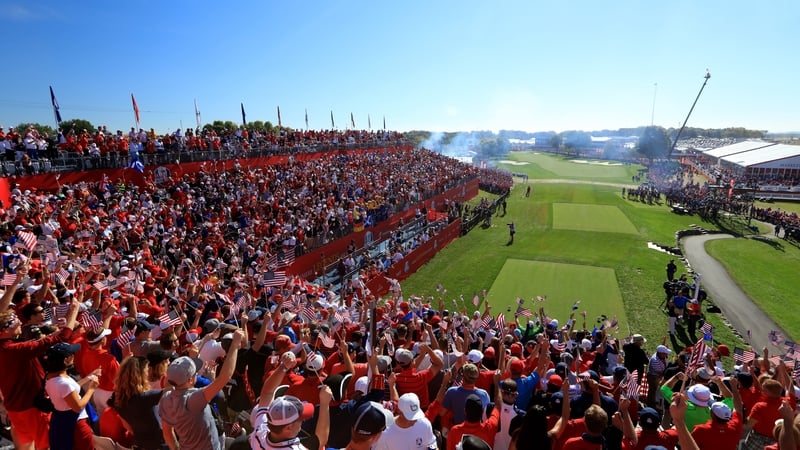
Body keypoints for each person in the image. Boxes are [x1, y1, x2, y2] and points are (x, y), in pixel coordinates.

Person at [0, 295, 80, 450]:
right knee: (47, 445)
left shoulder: (9, 349)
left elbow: (36, 343)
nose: (19, 322)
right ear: (3, 331)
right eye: (13, 321)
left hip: (14, 407)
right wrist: (74, 311)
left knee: (27, 444)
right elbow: (63, 337)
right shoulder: (14, 350)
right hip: (32, 408)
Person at [159, 329, 244, 450]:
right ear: (190, 380)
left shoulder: (166, 398)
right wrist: (235, 344)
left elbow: (167, 433)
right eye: (195, 373)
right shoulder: (193, 399)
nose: (197, 373)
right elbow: (225, 377)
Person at [249, 351, 333, 450]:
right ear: (289, 427)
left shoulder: (260, 432)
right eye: (300, 418)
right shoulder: (262, 429)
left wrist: (283, 366)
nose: (303, 420)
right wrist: (325, 404)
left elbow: (267, 393)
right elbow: (321, 440)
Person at [43, 342, 99, 450]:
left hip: (61, 420)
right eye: (72, 354)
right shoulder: (63, 384)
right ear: (65, 360)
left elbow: (69, 391)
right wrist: (92, 389)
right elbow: (78, 407)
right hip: (75, 425)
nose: (74, 356)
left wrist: (88, 378)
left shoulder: (50, 376)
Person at [110, 356, 166, 450]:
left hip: (140, 443)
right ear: (140, 375)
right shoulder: (146, 397)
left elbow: (128, 428)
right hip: (159, 444)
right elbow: (174, 390)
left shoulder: (117, 399)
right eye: (146, 370)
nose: (148, 372)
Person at [446, 371, 502, 450]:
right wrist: (497, 384)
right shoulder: (490, 427)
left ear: (465, 411)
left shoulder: (454, 431)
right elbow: (498, 405)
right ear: (482, 412)